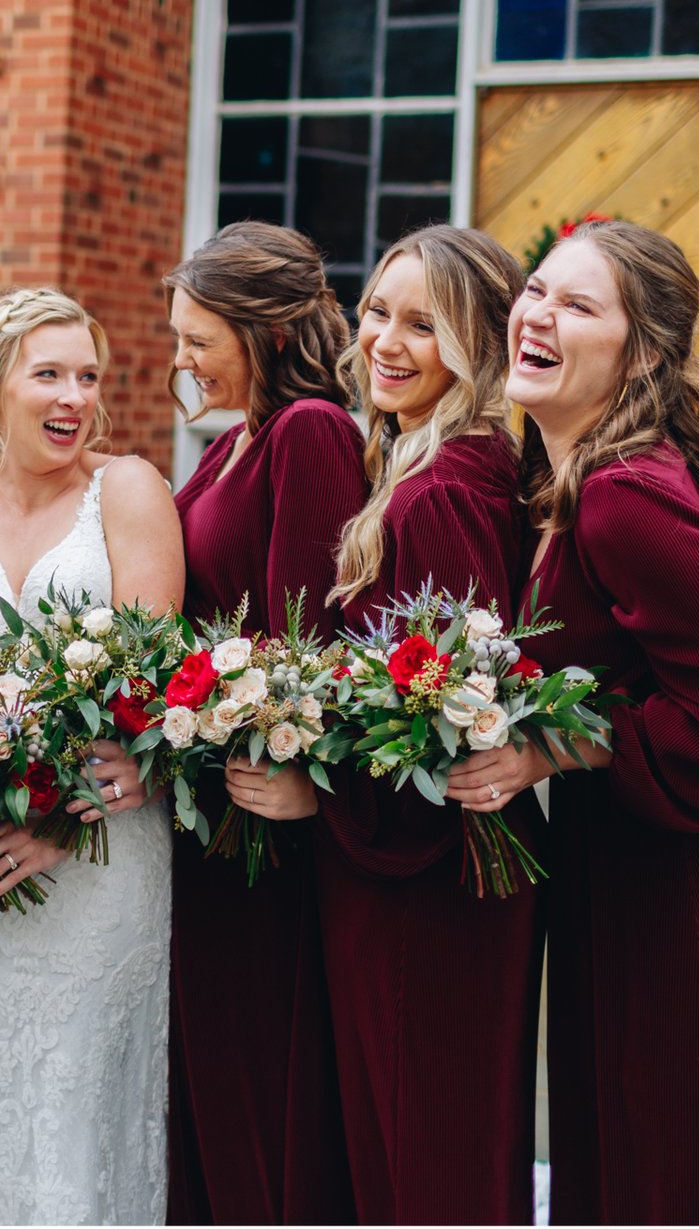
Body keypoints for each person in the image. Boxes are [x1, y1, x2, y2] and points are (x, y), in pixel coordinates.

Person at [446, 219, 699, 1225]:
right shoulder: (559, 484)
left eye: (577, 303)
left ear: (641, 352)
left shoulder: (623, 497)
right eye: (536, 290)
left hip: (671, 897)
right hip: (613, 875)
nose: (537, 312)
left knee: (661, 1159)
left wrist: (557, 742)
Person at [0, 288, 180, 1223]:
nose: (74, 396)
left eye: (88, 376)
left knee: (78, 1107)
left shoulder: (127, 489)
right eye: (48, 374)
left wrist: (59, 822)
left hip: (99, 849)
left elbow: (147, 681)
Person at [283, 224, 539, 1224]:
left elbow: (446, 714)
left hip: (423, 881)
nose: (387, 340)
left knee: (422, 1161)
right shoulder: (434, 464)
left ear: (473, 346)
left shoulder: (441, 492)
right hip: (426, 878)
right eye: (379, 312)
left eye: (423, 325)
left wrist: (314, 782)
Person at [159, 220, 360, 1224]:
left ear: (268, 332)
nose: (181, 360)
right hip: (209, 797)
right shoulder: (233, 441)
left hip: (262, 814)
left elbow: (303, 635)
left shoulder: (310, 431)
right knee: (211, 1070)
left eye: (199, 338)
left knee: (258, 1075)